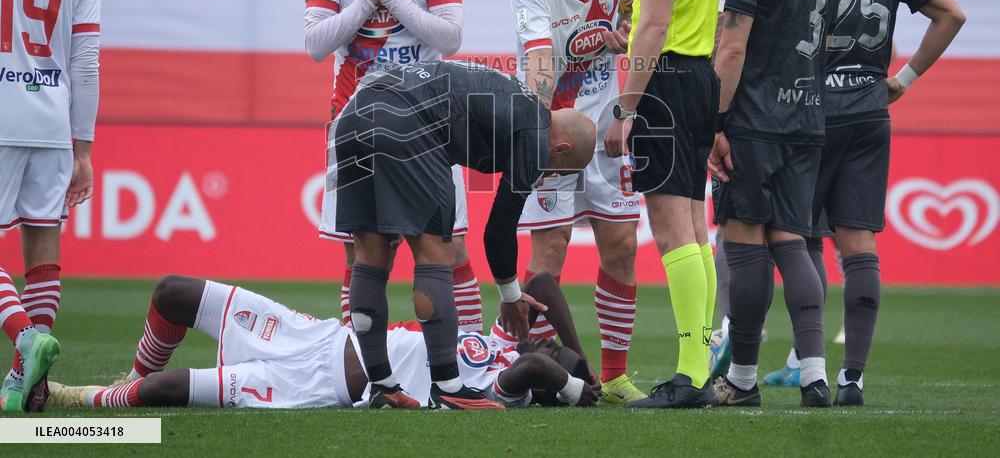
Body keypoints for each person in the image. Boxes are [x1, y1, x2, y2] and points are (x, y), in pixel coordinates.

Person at [760, 0, 964, 406]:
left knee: (794, 239)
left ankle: (810, 369)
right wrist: (905, 78)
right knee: (858, 243)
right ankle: (854, 377)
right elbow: (952, 13)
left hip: (807, 112)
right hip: (871, 110)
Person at [335, 60, 596, 409]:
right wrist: (509, 292)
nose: (548, 177)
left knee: (370, 256)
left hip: (355, 112)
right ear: (562, 148)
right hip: (409, 123)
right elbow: (499, 229)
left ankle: (382, 386)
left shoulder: (517, 102)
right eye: (558, 172)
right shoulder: (538, 136)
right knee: (436, 254)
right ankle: (448, 388)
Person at [302, 0, 484, 336]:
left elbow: (450, 39)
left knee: (451, 246)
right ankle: (360, 364)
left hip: (429, 121)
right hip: (355, 121)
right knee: (362, 250)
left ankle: (469, 357)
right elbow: (316, 45)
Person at [45, 272, 601, 409]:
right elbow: (543, 285)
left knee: (168, 390)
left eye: (553, 350)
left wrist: (574, 387)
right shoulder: (505, 342)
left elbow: (538, 373)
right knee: (171, 292)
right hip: (311, 334)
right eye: (551, 344)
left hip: (310, 383)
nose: (547, 345)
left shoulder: (506, 384)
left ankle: (74, 400)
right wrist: (589, 371)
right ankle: (130, 378)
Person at [709, 0, 844, 408]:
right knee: (794, 240)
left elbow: (733, 46)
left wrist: (714, 120)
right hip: (808, 120)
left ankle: (741, 378)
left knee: (743, 245)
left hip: (754, 121)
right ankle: (814, 373)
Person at [603, 0, 725, 409]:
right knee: (696, 226)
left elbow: (651, 25)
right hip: (701, 73)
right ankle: (697, 364)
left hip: (668, 81)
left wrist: (627, 107)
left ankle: (688, 375)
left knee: (672, 225)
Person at [512, 0, 645, 406]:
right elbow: (540, 64)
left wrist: (630, 25)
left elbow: (646, 14)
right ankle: (539, 369)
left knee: (622, 248)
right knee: (548, 256)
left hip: (611, 127)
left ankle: (613, 378)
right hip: (557, 132)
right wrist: (544, 132)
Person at [0, 0, 100, 412]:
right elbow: (86, 64)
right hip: (50, 118)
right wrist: (82, 148)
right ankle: (30, 384)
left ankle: (26, 340)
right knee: (42, 248)